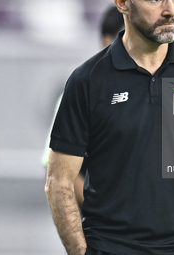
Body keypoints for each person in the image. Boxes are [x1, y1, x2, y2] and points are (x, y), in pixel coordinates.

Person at [45, 0, 174, 255]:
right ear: (123, 4)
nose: (170, 9)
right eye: (156, 0)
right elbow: (58, 182)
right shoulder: (87, 80)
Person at [42, 5, 124, 206]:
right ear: (108, 41)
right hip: (100, 227)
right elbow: (58, 171)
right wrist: (103, 211)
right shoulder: (79, 94)